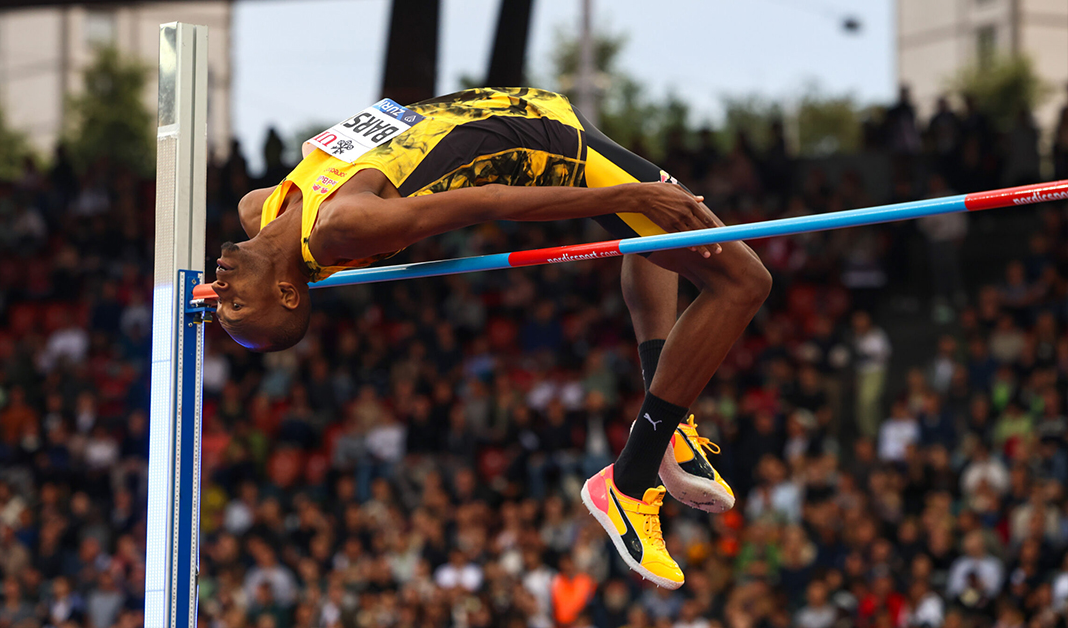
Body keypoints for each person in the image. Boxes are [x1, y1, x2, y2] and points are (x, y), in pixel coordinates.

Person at [212, 87, 770, 588]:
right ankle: (630, 479)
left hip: (516, 106)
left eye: (224, 304)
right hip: (540, 142)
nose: (220, 289)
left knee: (653, 235)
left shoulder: (259, 209)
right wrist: (633, 197)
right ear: (287, 294)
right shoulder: (343, 228)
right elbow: (492, 201)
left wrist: (636, 202)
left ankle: (668, 434)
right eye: (235, 304)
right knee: (743, 282)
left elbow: (348, 166)